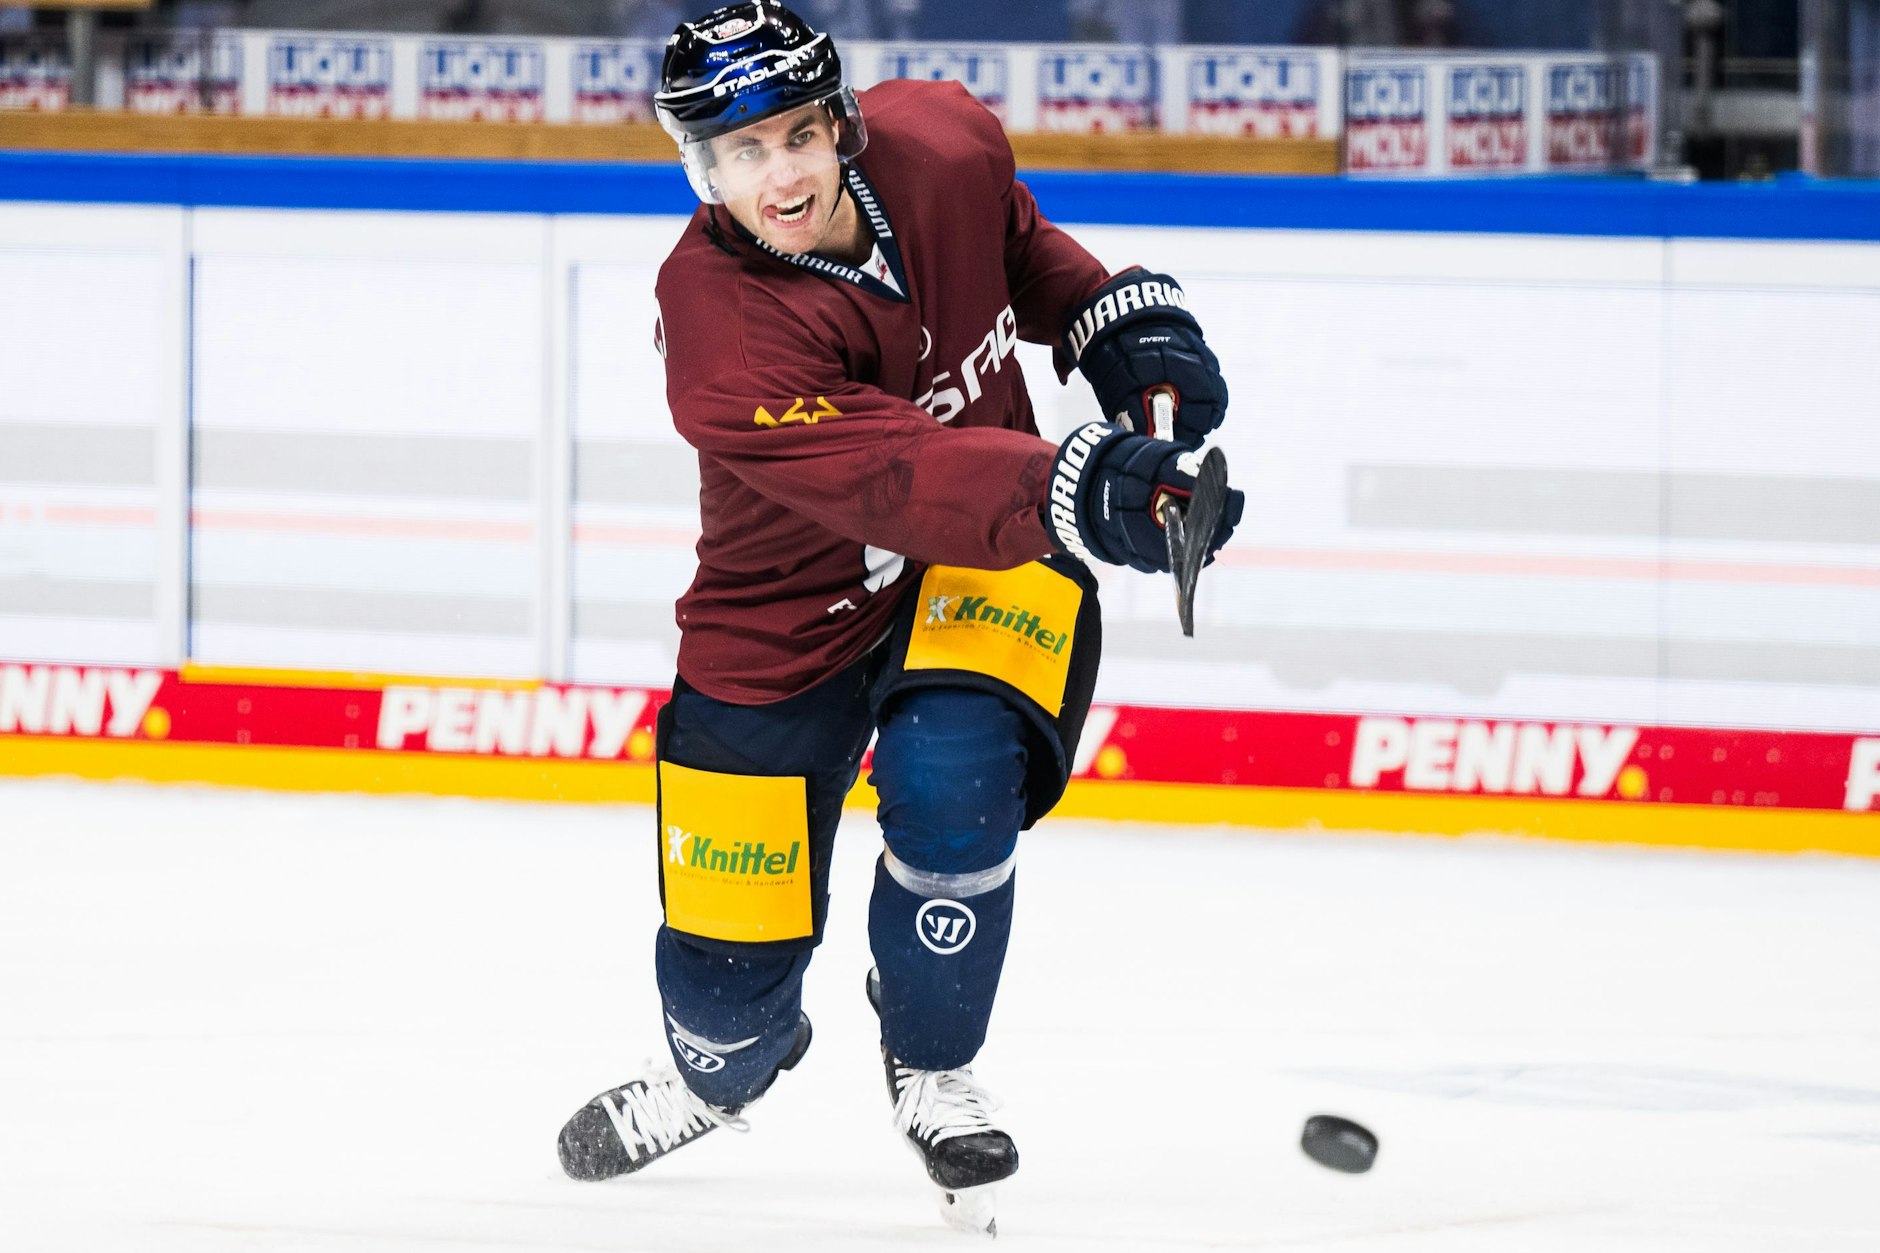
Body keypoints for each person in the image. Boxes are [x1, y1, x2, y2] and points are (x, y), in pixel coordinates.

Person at [555, 1, 1241, 1234]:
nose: (779, 172)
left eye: (797, 136)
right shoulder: (718, 327)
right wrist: (1093, 485)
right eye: (742, 151)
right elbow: (898, 476)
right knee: (724, 1002)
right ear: (699, 167)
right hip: (784, 615)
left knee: (952, 780)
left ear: (842, 124)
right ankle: (717, 1074)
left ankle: (930, 1058)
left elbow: (1008, 245)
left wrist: (1113, 320)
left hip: (986, 562)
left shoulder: (940, 141)